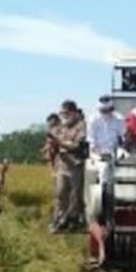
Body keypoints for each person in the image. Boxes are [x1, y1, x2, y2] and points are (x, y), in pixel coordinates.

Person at [50, 100, 88, 233]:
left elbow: (76, 146)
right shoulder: (60, 127)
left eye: (66, 113)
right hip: (62, 165)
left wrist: (60, 143)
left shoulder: (81, 126)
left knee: (75, 195)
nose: (63, 115)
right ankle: (60, 218)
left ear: (73, 112)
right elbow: (53, 143)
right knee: (60, 193)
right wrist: (54, 144)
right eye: (61, 113)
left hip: (75, 165)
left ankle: (73, 220)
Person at [89, 95, 126, 160]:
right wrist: (96, 150)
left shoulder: (119, 119)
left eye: (108, 110)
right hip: (97, 152)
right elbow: (91, 138)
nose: (106, 112)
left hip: (115, 152)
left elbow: (122, 136)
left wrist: (120, 148)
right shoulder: (93, 119)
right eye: (103, 110)